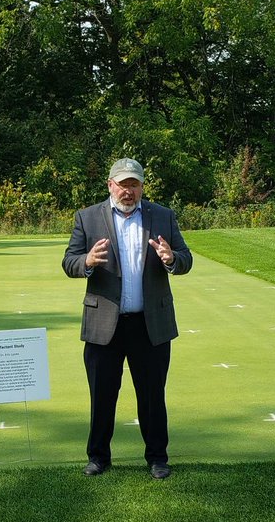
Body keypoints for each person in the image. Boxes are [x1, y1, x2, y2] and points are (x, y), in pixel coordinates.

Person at [62, 157, 193, 478]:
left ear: (142, 186)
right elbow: (69, 262)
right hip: (104, 323)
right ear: (110, 185)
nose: (128, 191)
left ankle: (157, 458)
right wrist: (88, 261)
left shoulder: (163, 216)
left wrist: (171, 258)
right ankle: (98, 458)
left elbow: (185, 259)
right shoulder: (87, 218)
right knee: (103, 395)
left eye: (134, 184)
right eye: (122, 184)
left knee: (152, 396)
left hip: (150, 325)